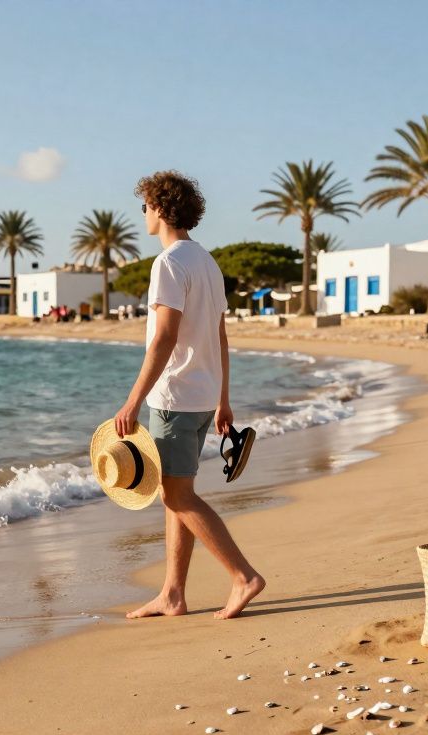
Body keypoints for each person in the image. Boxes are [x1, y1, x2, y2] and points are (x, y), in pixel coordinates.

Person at [113, 170, 264, 620]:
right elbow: (220, 336)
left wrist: (133, 400)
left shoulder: (169, 263)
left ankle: (243, 576)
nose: (143, 214)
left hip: (175, 398)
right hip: (201, 399)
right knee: (176, 491)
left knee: (178, 497)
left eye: (144, 206)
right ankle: (173, 594)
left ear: (160, 208)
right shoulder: (207, 262)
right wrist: (223, 398)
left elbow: (164, 338)